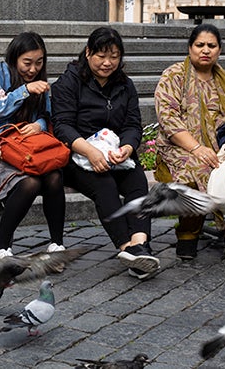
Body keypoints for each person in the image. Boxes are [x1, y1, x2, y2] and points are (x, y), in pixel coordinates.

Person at [51, 27, 160, 280]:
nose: (108, 63)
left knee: (137, 181)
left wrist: (127, 148)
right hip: (78, 156)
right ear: (88, 53)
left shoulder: (125, 85)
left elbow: (133, 125)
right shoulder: (69, 82)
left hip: (114, 154)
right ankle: (127, 248)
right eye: (101, 55)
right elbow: (62, 125)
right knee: (105, 184)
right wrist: (89, 151)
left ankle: (140, 244)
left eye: (114, 56)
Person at [154, 23, 225, 259]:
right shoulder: (174, 75)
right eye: (200, 45)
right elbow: (168, 117)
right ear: (190, 48)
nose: (205, 50)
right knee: (199, 168)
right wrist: (196, 148)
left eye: (211, 45)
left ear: (219, 50)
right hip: (179, 147)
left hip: (223, 147)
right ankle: (188, 234)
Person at [0, 31, 66, 270]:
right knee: (30, 183)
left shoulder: (40, 81)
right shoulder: (0, 73)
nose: (33, 69)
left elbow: (46, 115)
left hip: (25, 150)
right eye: (27, 62)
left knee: (54, 176)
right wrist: (25, 90)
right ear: (15, 58)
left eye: (39, 62)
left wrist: (38, 125)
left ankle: (56, 246)